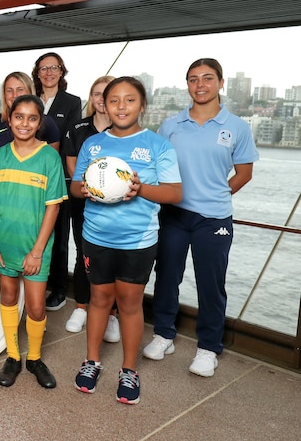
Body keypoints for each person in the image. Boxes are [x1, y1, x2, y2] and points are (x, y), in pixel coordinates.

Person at [71, 77, 182, 405]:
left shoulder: (157, 145)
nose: (121, 106)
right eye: (114, 100)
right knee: (99, 299)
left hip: (138, 240)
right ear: (102, 104)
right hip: (96, 236)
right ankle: (92, 361)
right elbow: (76, 187)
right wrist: (86, 189)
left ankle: (129, 369)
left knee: (130, 305)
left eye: (129, 100)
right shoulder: (93, 144)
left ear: (142, 105)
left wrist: (140, 189)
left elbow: (175, 192)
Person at [146, 58, 258, 377]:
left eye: (207, 79)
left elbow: (244, 173)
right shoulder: (170, 125)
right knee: (167, 277)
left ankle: (208, 348)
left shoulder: (236, 126)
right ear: (187, 85)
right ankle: (164, 334)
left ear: (221, 83)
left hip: (214, 219)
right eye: (193, 79)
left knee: (211, 284)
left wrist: (218, 195)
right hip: (174, 215)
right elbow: (155, 168)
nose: (200, 85)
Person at [0, 95, 66, 390]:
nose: (25, 123)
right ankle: (13, 356)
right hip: (4, 244)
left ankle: (34, 358)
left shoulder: (49, 158)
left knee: (35, 307)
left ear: (40, 122)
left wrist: (37, 251)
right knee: (8, 297)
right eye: (19, 117)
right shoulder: (1, 156)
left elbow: (53, 207)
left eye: (32, 118)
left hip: (35, 248)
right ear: (10, 119)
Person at [61, 76, 120, 342]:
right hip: (83, 202)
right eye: (97, 93)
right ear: (92, 98)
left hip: (118, 207)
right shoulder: (78, 128)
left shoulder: (124, 131)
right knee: (84, 255)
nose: (101, 99)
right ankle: (82, 307)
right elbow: (72, 167)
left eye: (106, 94)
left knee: (115, 259)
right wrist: (94, 191)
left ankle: (112, 314)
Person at [32, 52, 82, 312]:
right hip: (28, 178)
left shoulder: (72, 102)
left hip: (58, 178)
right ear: (37, 73)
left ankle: (58, 288)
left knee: (59, 235)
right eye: (43, 68)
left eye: (53, 68)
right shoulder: (29, 100)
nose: (48, 72)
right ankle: (32, 280)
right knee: (33, 230)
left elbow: (70, 140)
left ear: (62, 72)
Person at [0, 71, 60, 166]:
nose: (15, 95)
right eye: (9, 90)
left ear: (30, 91)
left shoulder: (47, 123)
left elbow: (52, 162)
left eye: (20, 90)